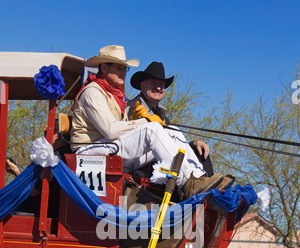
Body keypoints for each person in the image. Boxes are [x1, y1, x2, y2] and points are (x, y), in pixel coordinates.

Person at [70, 45, 224, 199]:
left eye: (125, 68)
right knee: (153, 129)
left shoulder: (114, 95)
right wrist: (144, 122)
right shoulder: (92, 92)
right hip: (89, 151)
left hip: (109, 147)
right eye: (119, 68)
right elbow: (111, 131)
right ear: (103, 68)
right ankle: (188, 184)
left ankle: (199, 178)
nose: (123, 72)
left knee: (172, 131)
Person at [127, 61, 233, 188]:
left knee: (199, 150)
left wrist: (193, 144)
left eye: (161, 84)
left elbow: (171, 142)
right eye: (154, 83)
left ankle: (207, 186)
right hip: (141, 160)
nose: (159, 87)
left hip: (159, 156)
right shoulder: (133, 107)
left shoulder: (163, 115)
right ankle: (195, 186)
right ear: (142, 85)